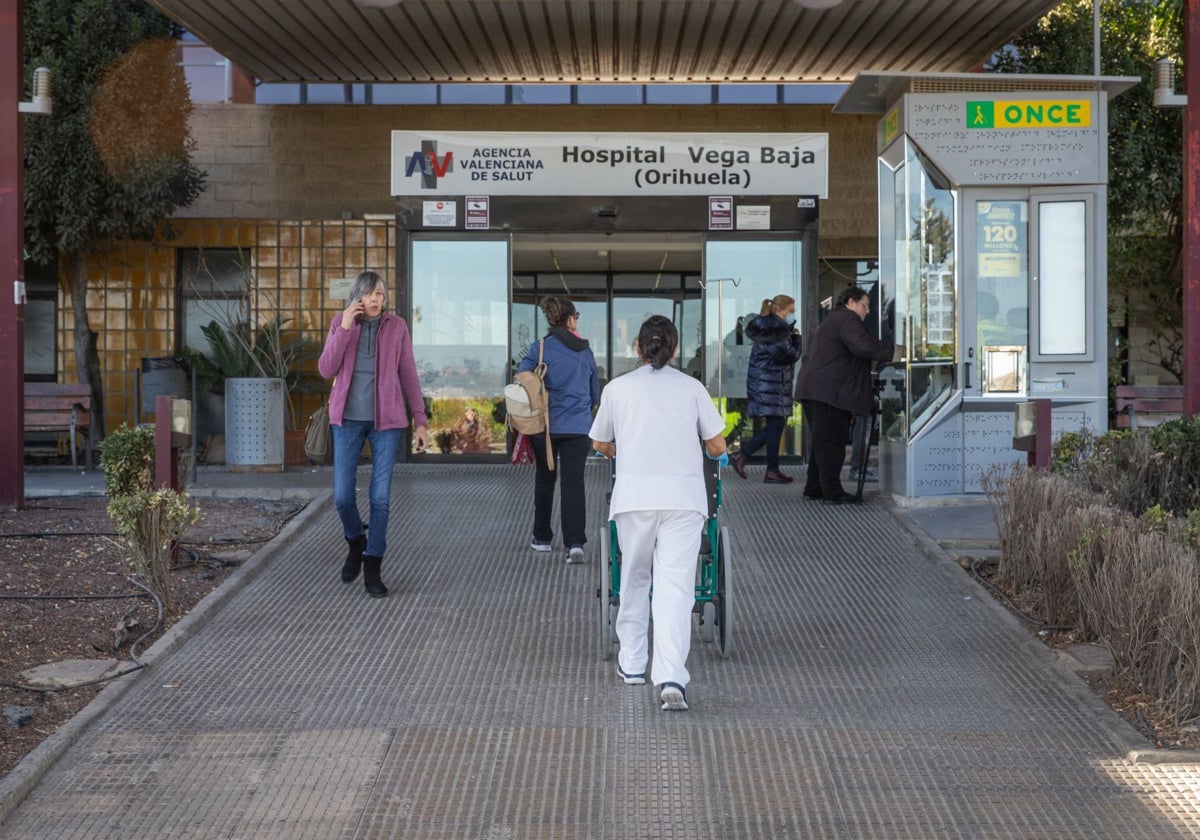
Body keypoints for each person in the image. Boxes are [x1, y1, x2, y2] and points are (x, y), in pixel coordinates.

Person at [589, 315, 728, 712]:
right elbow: (716, 446)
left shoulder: (618, 389)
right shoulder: (692, 387)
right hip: (684, 500)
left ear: (637, 347)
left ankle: (632, 663)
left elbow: (600, 441)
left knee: (633, 578)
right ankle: (671, 677)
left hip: (634, 498)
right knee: (675, 588)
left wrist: (622, 451)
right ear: (675, 347)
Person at [318, 270, 430, 598]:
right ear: (357, 297)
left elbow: (408, 373)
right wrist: (343, 329)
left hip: (387, 423)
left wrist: (420, 420)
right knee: (341, 497)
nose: (375, 300)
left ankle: (373, 564)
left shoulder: (396, 327)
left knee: (380, 498)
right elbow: (326, 369)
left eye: (380, 294)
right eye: (369, 294)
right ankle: (356, 542)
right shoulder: (342, 323)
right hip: (347, 422)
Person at [517, 295, 600, 564]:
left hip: (546, 426)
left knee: (545, 479)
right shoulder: (585, 351)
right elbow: (594, 393)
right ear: (570, 318)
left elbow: (522, 379)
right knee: (573, 483)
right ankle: (575, 544)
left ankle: (542, 538)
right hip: (578, 427)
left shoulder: (540, 348)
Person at [794, 286, 895, 505]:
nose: (867, 311)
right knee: (832, 442)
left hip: (817, 389)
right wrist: (894, 351)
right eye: (864, 305)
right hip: (828, 391)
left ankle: (815, 488)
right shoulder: (848, 319)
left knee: (823, 442)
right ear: (850, 302)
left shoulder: (835, 319)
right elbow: (862, 346)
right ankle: (832, 492)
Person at [730, 295, 802, 484]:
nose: (792, 315)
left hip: (767, 384)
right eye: (790, 312)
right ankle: (744, 456)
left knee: (775, 425)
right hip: (770, 385)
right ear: (779, 311)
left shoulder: (770, 327)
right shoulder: (775, 331)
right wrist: (797, 339)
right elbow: (790, 355)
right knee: (775, 425)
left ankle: (771, 469)